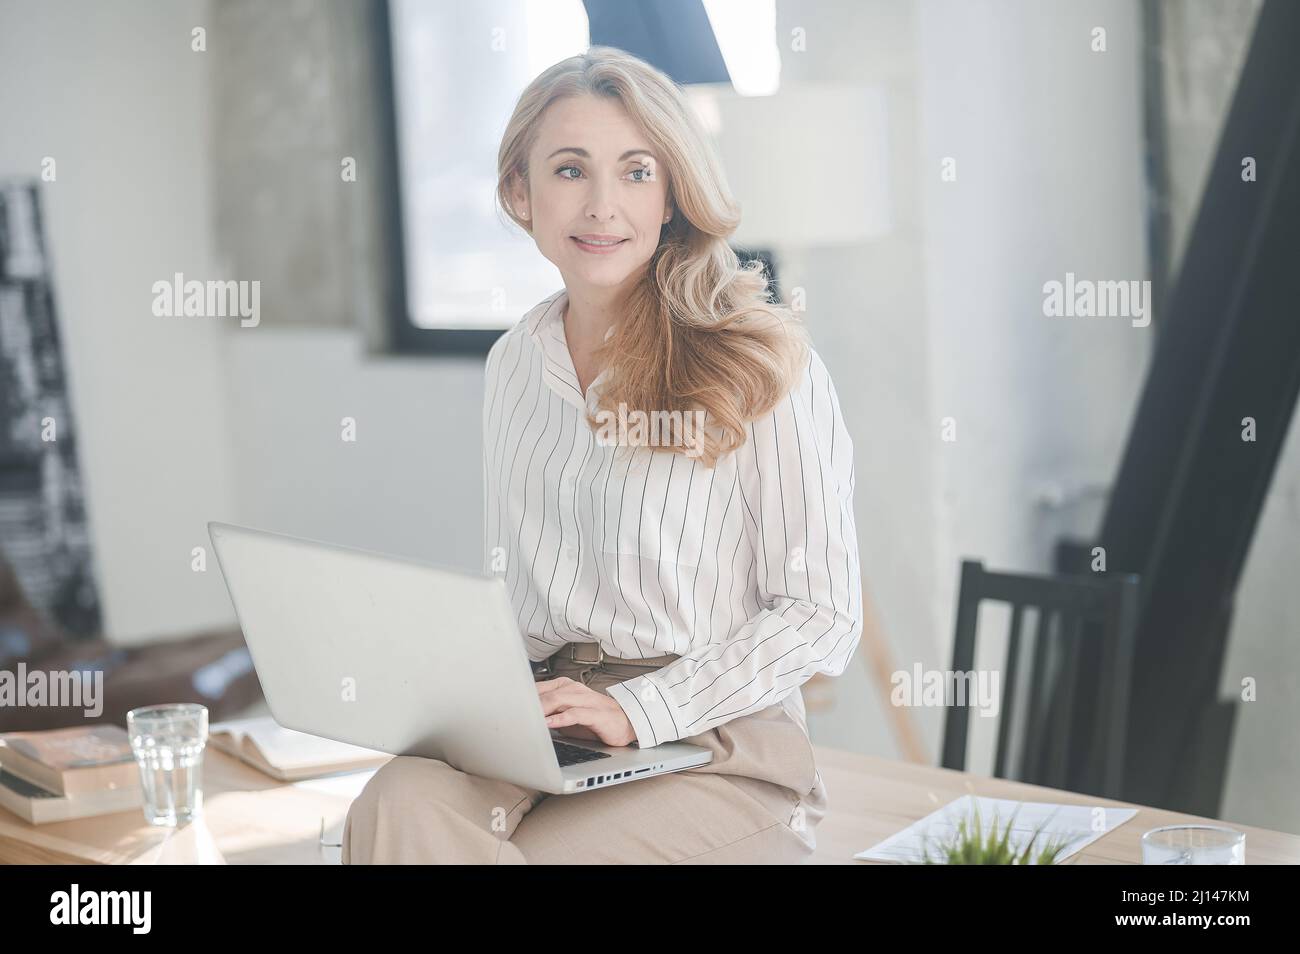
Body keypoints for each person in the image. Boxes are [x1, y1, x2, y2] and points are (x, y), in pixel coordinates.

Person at [344, 45, 862, 864]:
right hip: (552, 713)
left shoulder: (762, 360)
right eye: (570, 170)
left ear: (671, 196)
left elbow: (821, 615)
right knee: (396, 802)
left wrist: (642, 711)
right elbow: (520, 596)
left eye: (635, 171)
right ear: (521, 192)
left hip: (710, 736)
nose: (601, 206)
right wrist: (449, 686)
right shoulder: (515, 363)